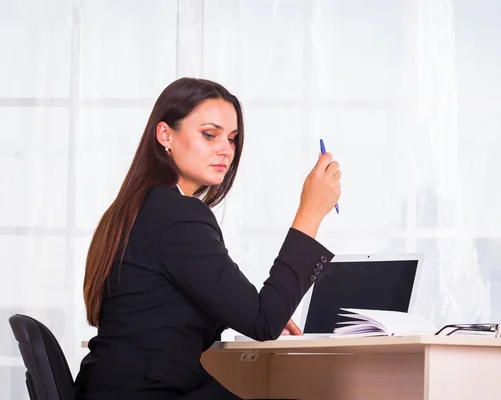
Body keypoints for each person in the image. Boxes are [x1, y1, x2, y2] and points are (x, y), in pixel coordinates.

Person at [73, 77, 341, 400]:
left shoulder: (137, 208)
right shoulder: (178, 216)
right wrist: (310, 212)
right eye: (209, 134)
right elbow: (264, 322)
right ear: (165, 135)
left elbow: (162, 312)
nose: (226, 150)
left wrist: (246, 311)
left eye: (231, 138)